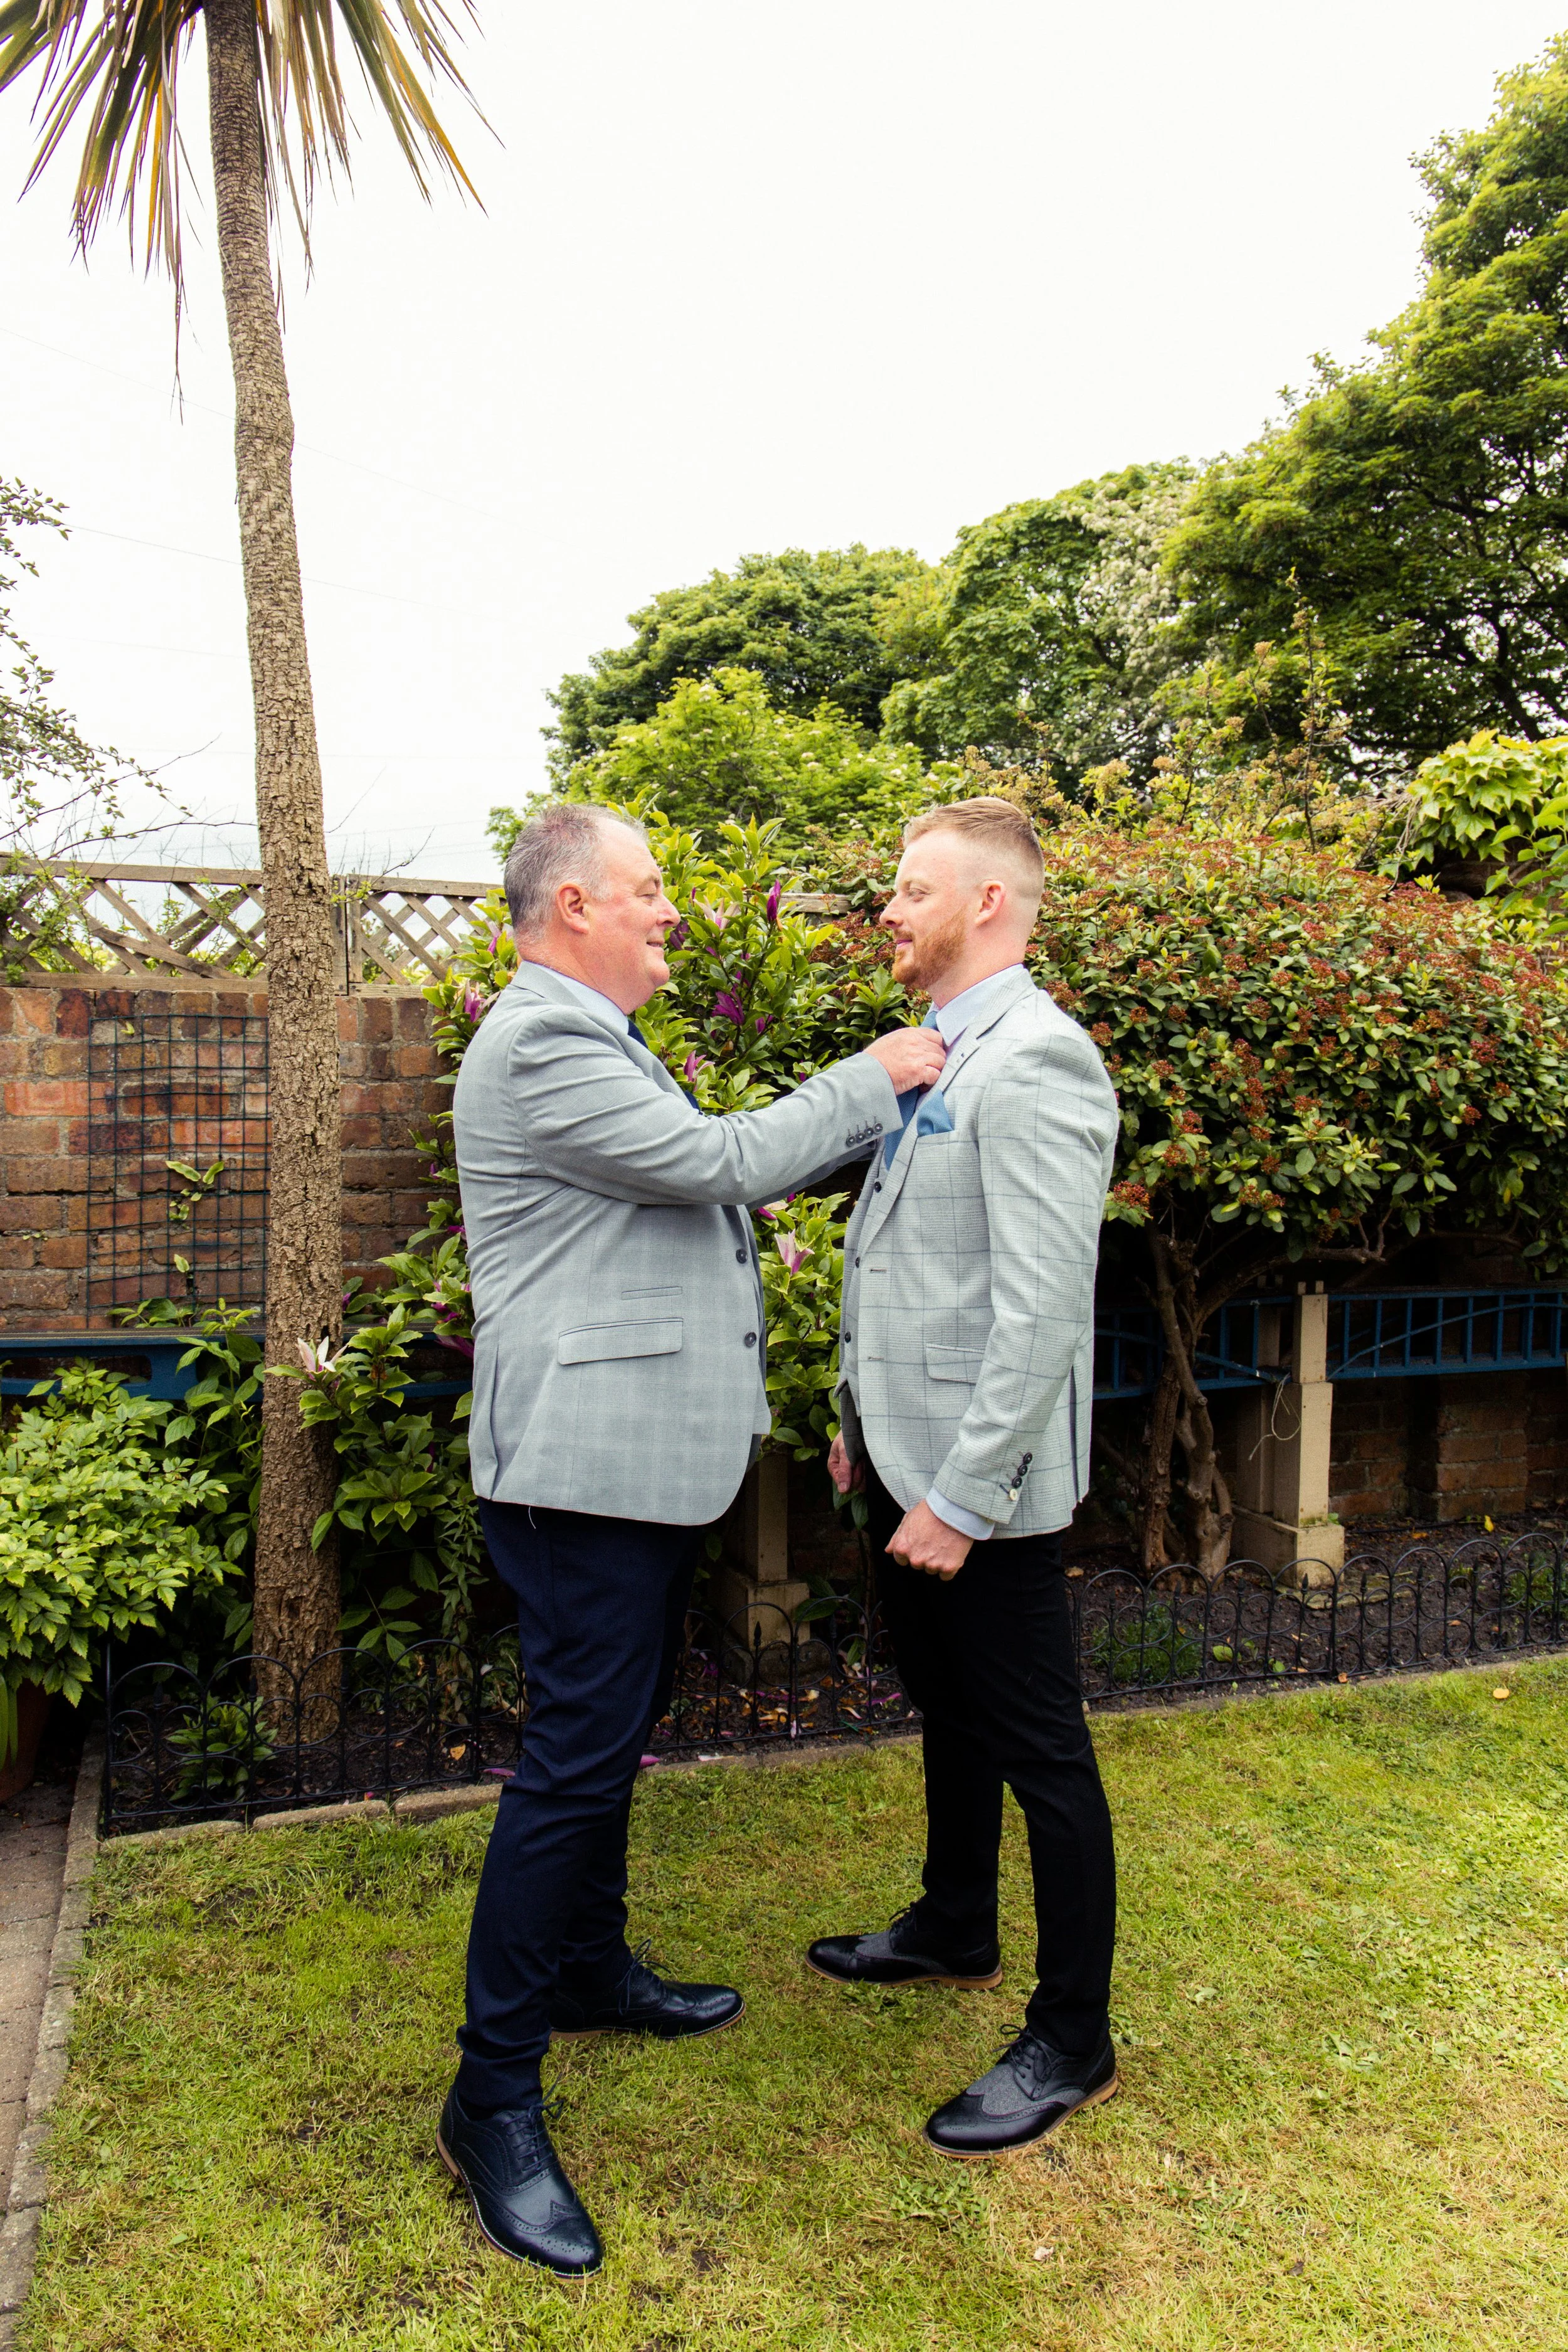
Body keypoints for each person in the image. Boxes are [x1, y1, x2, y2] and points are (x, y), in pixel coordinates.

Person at [437, 800, 946, 2275]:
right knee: (570, 1769)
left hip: (629, 1473)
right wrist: (870, 1075)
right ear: (575, 904)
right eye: (650, 888)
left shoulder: (589, 1033)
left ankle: (588, 1973)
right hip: (578, 1479)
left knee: (610, 1741)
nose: (670, 911)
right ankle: (489, 2100)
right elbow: (719, 1161)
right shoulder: (542, 1041)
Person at [809, 795, 1121, 2159]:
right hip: (905, 1458)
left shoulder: (1037, 1060)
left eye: (911, 886)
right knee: (948, 1707)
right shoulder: (938, 1051)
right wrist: (860, 1422)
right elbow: (900, 1257)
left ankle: (1072, 2034)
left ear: (987, 902)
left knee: (1041, 1750)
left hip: (977, 1493)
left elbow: (1041, 1310)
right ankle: (953, 1922)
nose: (888, 908)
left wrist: (962, 1496)